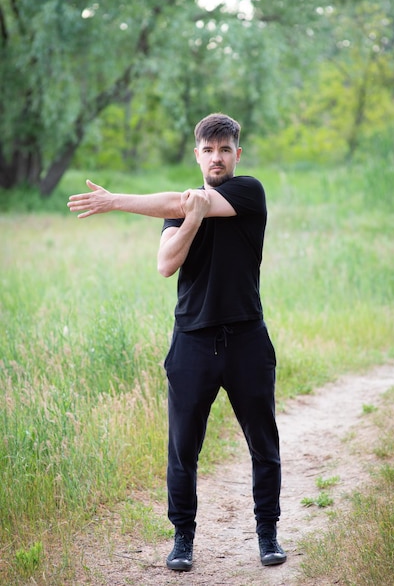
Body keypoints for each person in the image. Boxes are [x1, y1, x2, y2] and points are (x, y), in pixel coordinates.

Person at [68, 113, 286, 572]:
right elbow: (166, 264)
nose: (217, 157)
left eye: (225, 149)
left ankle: (267, 532)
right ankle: (182, 539)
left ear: (237, 154)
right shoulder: (178, 208)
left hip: (246, 338)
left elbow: (182, 199)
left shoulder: (250, 191)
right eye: (208, 150)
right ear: (197, 154)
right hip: (191, 341)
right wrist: (190, 219)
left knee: (263, 444)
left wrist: (116, 202)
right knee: (182, 449)